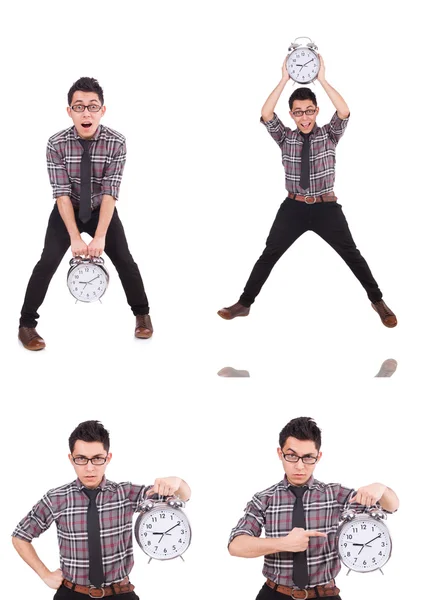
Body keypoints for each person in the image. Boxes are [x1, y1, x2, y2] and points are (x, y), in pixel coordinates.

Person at [218, 56, 397, 328]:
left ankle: (378, 302)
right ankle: (244, 303)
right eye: (299, 112)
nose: (305, 117)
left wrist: (322, 79)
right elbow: (267, 114)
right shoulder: (285, 138)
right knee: (269, 253)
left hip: (326, 208)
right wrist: (283, 80)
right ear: (291, 114)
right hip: (294, 208)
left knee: (353, 255)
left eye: (309, 110)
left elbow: (344, 111)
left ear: (316, 111)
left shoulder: (329, 134)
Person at [18, 77, 153, 351]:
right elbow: (61, 193)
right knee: (47, 261)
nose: (86, 112)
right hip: (67, 208)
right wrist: (75, 237)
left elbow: (110, 192)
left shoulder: (116, 142)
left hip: (100, 208)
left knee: (125, 260)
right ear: (69, 111)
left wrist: (99, 235)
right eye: (79, 107)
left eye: (93, 106)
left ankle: (142, 315)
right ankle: (26, 325)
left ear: (103, 110)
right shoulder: (56, 143)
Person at [12, 420, 191, 599]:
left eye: (97, 458)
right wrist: (45, 574)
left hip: (120, 594)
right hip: (72, 594)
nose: (90, 468)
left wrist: (177, 482)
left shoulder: (125, 493)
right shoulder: (56, 498)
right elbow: (20, 536)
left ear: (108, 458)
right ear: (71, 459)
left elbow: (183, 496)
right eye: (81, 459)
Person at [228, 416, 399, 600]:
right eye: (292, 456)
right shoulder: (264, 499)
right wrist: (283, 543)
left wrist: (381, 489)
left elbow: (391, 506)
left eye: (308, 457)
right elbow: (236, 545)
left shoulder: (335, 495)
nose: (299, 466)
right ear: (280, 453)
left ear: (318, 457)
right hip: (274, 594)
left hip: (325, 595)